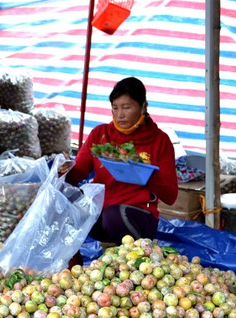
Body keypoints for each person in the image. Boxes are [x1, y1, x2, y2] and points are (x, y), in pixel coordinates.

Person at [63, 77, 178, 243]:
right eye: (115, 108)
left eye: (126, 107)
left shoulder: (160, 140)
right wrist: (63, 169)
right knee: (63, 206)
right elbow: (77, 174)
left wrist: (145, 173)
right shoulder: (100, 134)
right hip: (101, 210)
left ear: (143, 107)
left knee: (113, 215)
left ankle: (138, 257)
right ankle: (71, 264)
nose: (119, 115)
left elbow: (171, 196)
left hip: (139, 215)